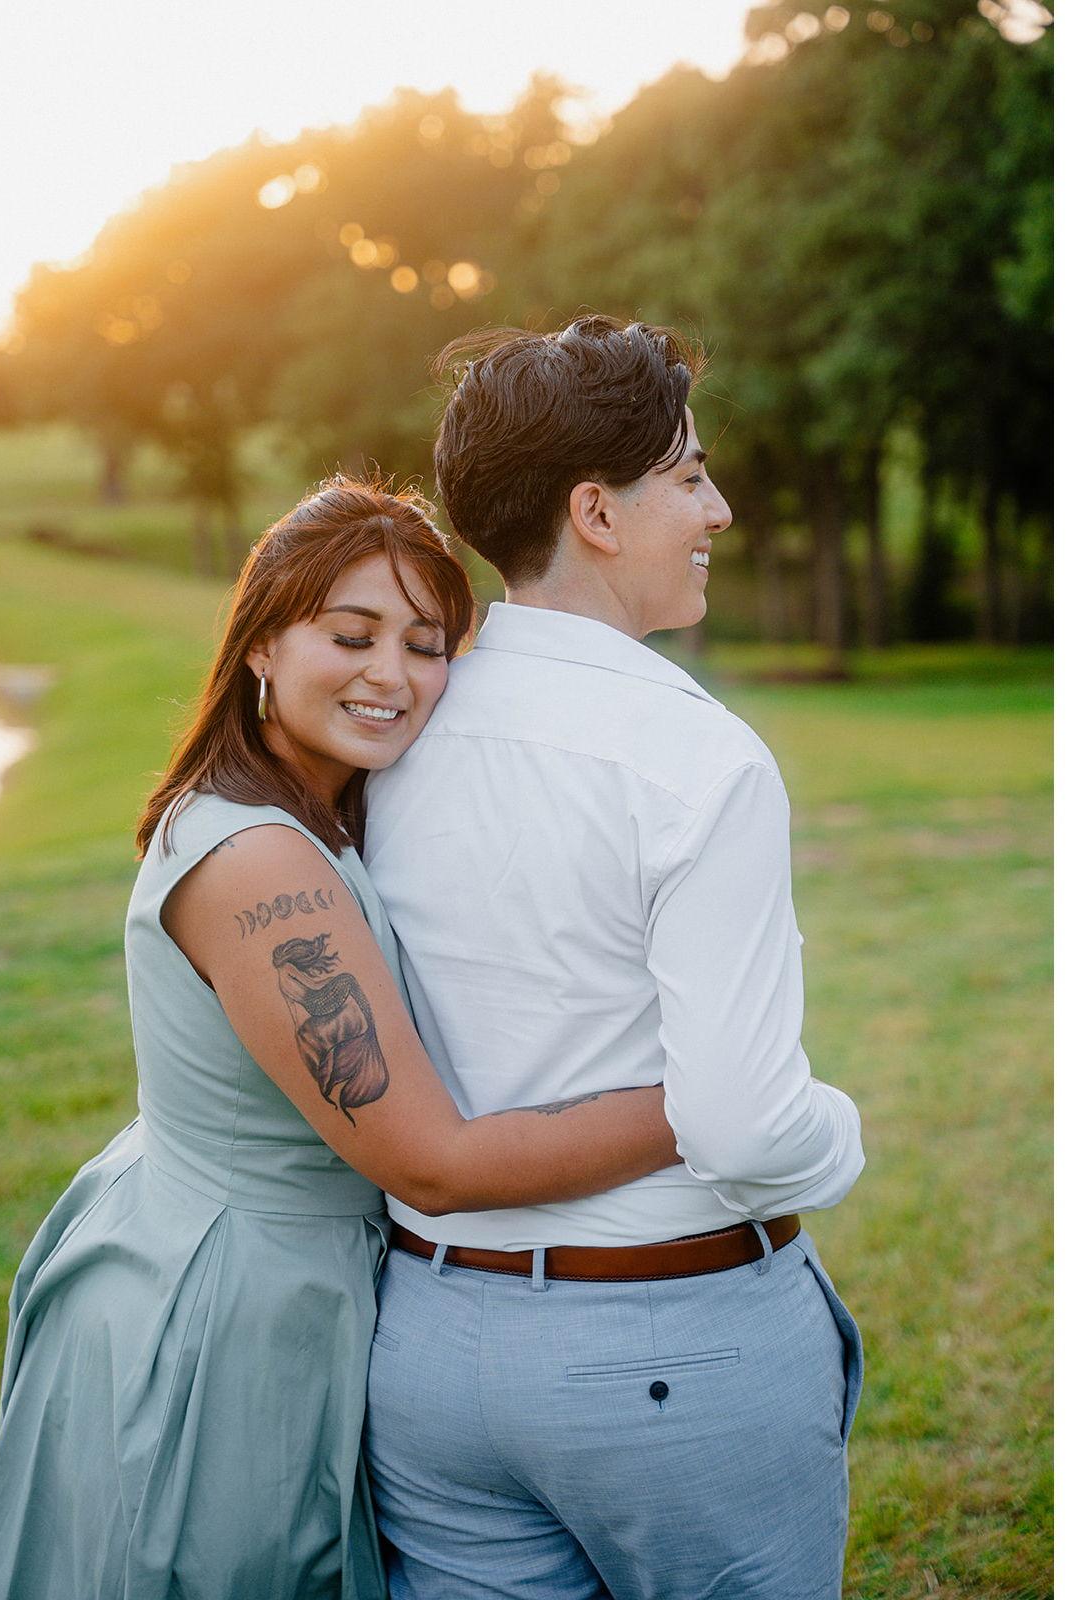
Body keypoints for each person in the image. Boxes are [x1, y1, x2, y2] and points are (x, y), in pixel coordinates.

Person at [0, 479, 683, 1600]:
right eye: (351, 636)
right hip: (237, 1314)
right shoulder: (260, 863)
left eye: (426, 644)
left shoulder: (316, 809)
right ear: (262, 642)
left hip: (246, 1259)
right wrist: (704, 1100)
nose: (390, 674)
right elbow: (432, 1163)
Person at [363, 317, 867, 1599]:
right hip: (668, 1352)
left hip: (428, 1350)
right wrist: (839, 1134)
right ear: (595, 510)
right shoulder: (699, 759)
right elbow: (744, 1125)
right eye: (689, 476)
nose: (719, 509)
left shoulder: (392, 738)